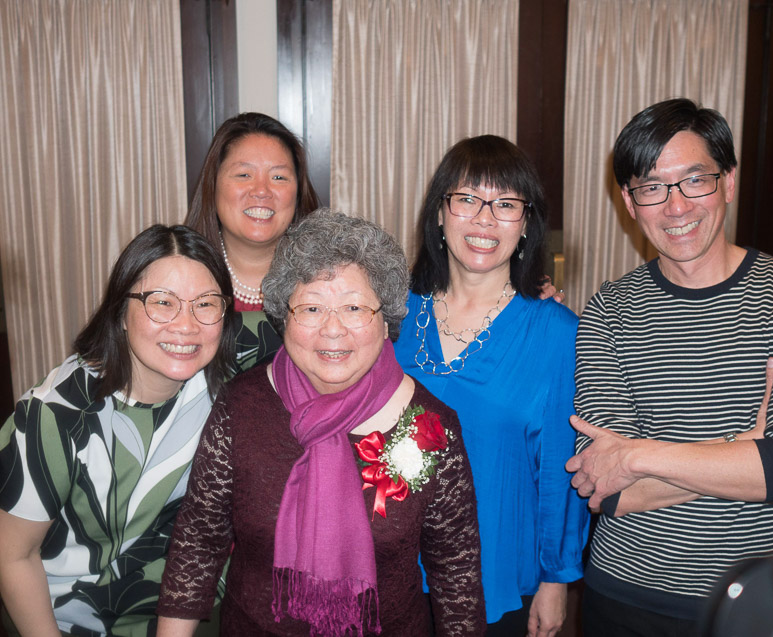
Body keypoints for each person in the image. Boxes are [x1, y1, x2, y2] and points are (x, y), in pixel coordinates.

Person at [565, 98, 773, 636]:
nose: (676, 206)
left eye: (695, 180)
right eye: (652, 187)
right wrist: (746, 447)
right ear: (630, 202)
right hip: (626, 593)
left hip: (770, 599)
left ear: (728, 182)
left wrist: (637, 454)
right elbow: (608, 488)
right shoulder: (609, 310)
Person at [156, 210, 486, 636]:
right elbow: (199, 542)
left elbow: (455, 571)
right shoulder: (240, 405)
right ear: (284, 315)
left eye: (354, 307)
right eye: (311, 307)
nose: (333, 330)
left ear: (385, 318)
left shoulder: (430, 426)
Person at [0, 225, 281, 636]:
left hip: (190, 608)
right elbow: (12, 555)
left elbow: (315, 327)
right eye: (162, 302)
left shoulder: (224, 354)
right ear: (121, 313)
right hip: (69, 617)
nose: (186, 326)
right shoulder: (56, 416)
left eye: (205, 303)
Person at [394, 135, 591, 636]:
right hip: (393, 567)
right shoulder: (391, 315)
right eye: (467, 199)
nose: (484, 219)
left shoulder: (556, 332)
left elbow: (560, 467)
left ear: (526, 223)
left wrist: (556, 579)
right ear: (440, 214)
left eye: (505, 204)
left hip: (497, 571)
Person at [185, 112, 320, 311]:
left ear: (298, 193)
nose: (261, 191)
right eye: (244, 175)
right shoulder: (177, 279)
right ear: (212, 186)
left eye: (278, 177)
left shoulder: (328, 281)